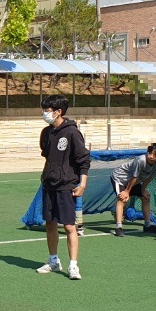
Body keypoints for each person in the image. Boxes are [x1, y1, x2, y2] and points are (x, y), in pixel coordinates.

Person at [36, 95, 89, 280]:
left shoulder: (72, 132)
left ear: (58, 112)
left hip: (67, 186)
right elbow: (48, 156)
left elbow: (83, 160)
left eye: (48, 110)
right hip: (49, 184)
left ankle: (73, 265)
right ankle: (53, 260)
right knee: (50, 224)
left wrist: (82, 183)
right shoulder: (46, 132)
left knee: (69, 226)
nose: (45, 113)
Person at [112, 143, 156, 236]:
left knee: (146, 198)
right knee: (122, 199)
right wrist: (127, 191)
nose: (151, 157)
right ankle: (118, 227)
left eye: (155, 155)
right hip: (120, 178)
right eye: (150, 153)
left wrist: (143, 190)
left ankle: (147, 225)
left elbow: (149, 177)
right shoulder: (140, 160)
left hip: (134, 181)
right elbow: (134, 176)